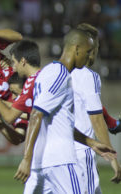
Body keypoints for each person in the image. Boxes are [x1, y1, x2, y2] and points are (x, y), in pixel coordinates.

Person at [14, 29, 116, 193]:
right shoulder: (60, 75)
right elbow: (35, 115)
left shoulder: (46, 72)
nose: (90, 57)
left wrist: (92, 143)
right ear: (76, 49)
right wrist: (26, 158)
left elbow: (59, 124)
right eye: (87, 51)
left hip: (40, 164)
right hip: (61, 162)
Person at [71, 23, 121, 193]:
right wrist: (113, 158)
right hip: (81, 152)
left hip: (56, 154)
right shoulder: (87, 76)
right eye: (96, 46)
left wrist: (113, 123)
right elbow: (96, 119)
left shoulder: (54, 71)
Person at [0, 40, 41, 136]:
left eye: (14, 62)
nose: (13, 67)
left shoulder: (30, 84)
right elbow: (36, 115)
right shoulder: (45, 76)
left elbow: (10, 118)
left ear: (22, 61)